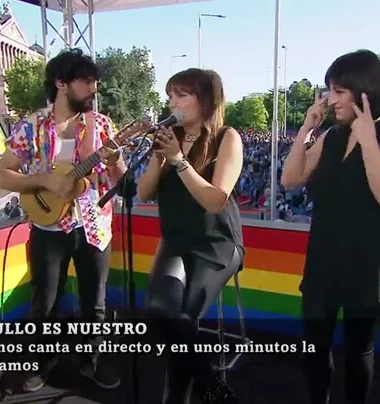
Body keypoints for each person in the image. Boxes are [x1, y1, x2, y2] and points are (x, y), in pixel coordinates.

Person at [281, 49, 380, 404]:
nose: (330, 99)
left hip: (365, 262)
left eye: (339, 91)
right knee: (314, 351)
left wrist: (368, 139)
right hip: (323, 258)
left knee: (358, 355)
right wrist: (307, 129)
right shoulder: (331, 136)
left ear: (363, 92)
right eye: (330, 90)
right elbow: (290, 179)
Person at [0, 48, 127, 393]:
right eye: (86, 80)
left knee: (94, 302)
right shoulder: (31, 125)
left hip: (93, 225)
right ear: (61, 82)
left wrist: (114, 162)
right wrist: (43, 181)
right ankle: (42, 366)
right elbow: (3, 176)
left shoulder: (101, 125)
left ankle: (91, 362)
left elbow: (118, 177)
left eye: (94, 81)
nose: (93, 88)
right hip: (47, 228)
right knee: (45, 304)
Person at [136, 68, 244, 404]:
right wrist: (158, 158)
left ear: (206, 100)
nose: (173, 103)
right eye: (170, 95)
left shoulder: (228, 137)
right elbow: (143, 193)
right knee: (161, 308)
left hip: (217, 243)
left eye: (182, 94)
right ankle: (210, 382)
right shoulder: (171, 138)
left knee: (185, 319)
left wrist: (180, 161)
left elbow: (215, 200)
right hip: (177, 241)